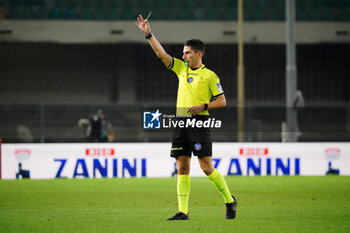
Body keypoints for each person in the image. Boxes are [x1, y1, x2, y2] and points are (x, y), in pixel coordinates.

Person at [135, 14, 237, 220]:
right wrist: (148, 34)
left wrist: (204, 106)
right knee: (182, 166)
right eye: (183, 53)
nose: (184, 56)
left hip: (199, 124)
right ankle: (183, 211)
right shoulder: (181, 69)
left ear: (199, 54)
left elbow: (223, 101)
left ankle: (229, 200)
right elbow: (162, 54)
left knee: (206, 167)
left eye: (187, 53)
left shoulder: (210, 76)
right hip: (181, 123)